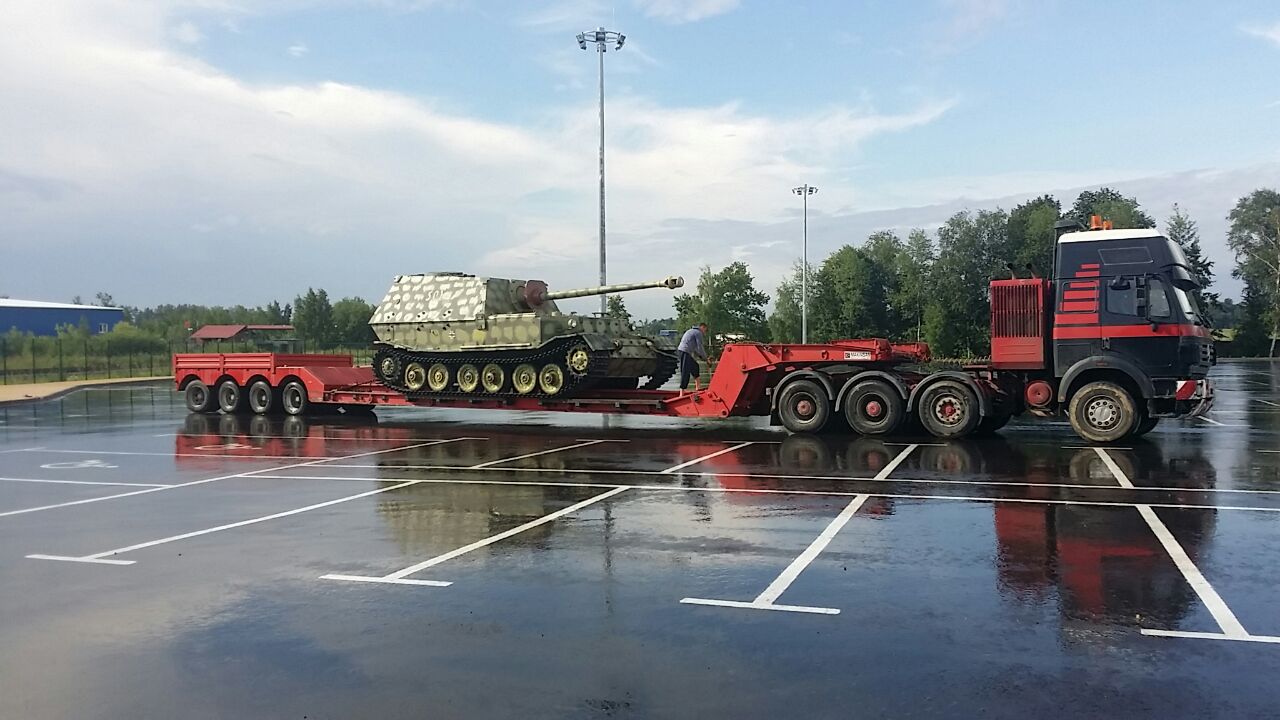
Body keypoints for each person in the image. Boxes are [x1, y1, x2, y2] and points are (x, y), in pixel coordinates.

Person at [677, 322, 709, 392]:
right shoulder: (698, 333)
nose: (704, 333)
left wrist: (702, 357)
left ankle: (698, 387)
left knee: (695, 366)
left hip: (684, 351)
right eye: (705, 330)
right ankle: (681, 392)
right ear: (702, 327)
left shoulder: (692, 331)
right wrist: (706, 359)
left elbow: (695, 349)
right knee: (685, 371)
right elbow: (700, 347)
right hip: (684, 351)